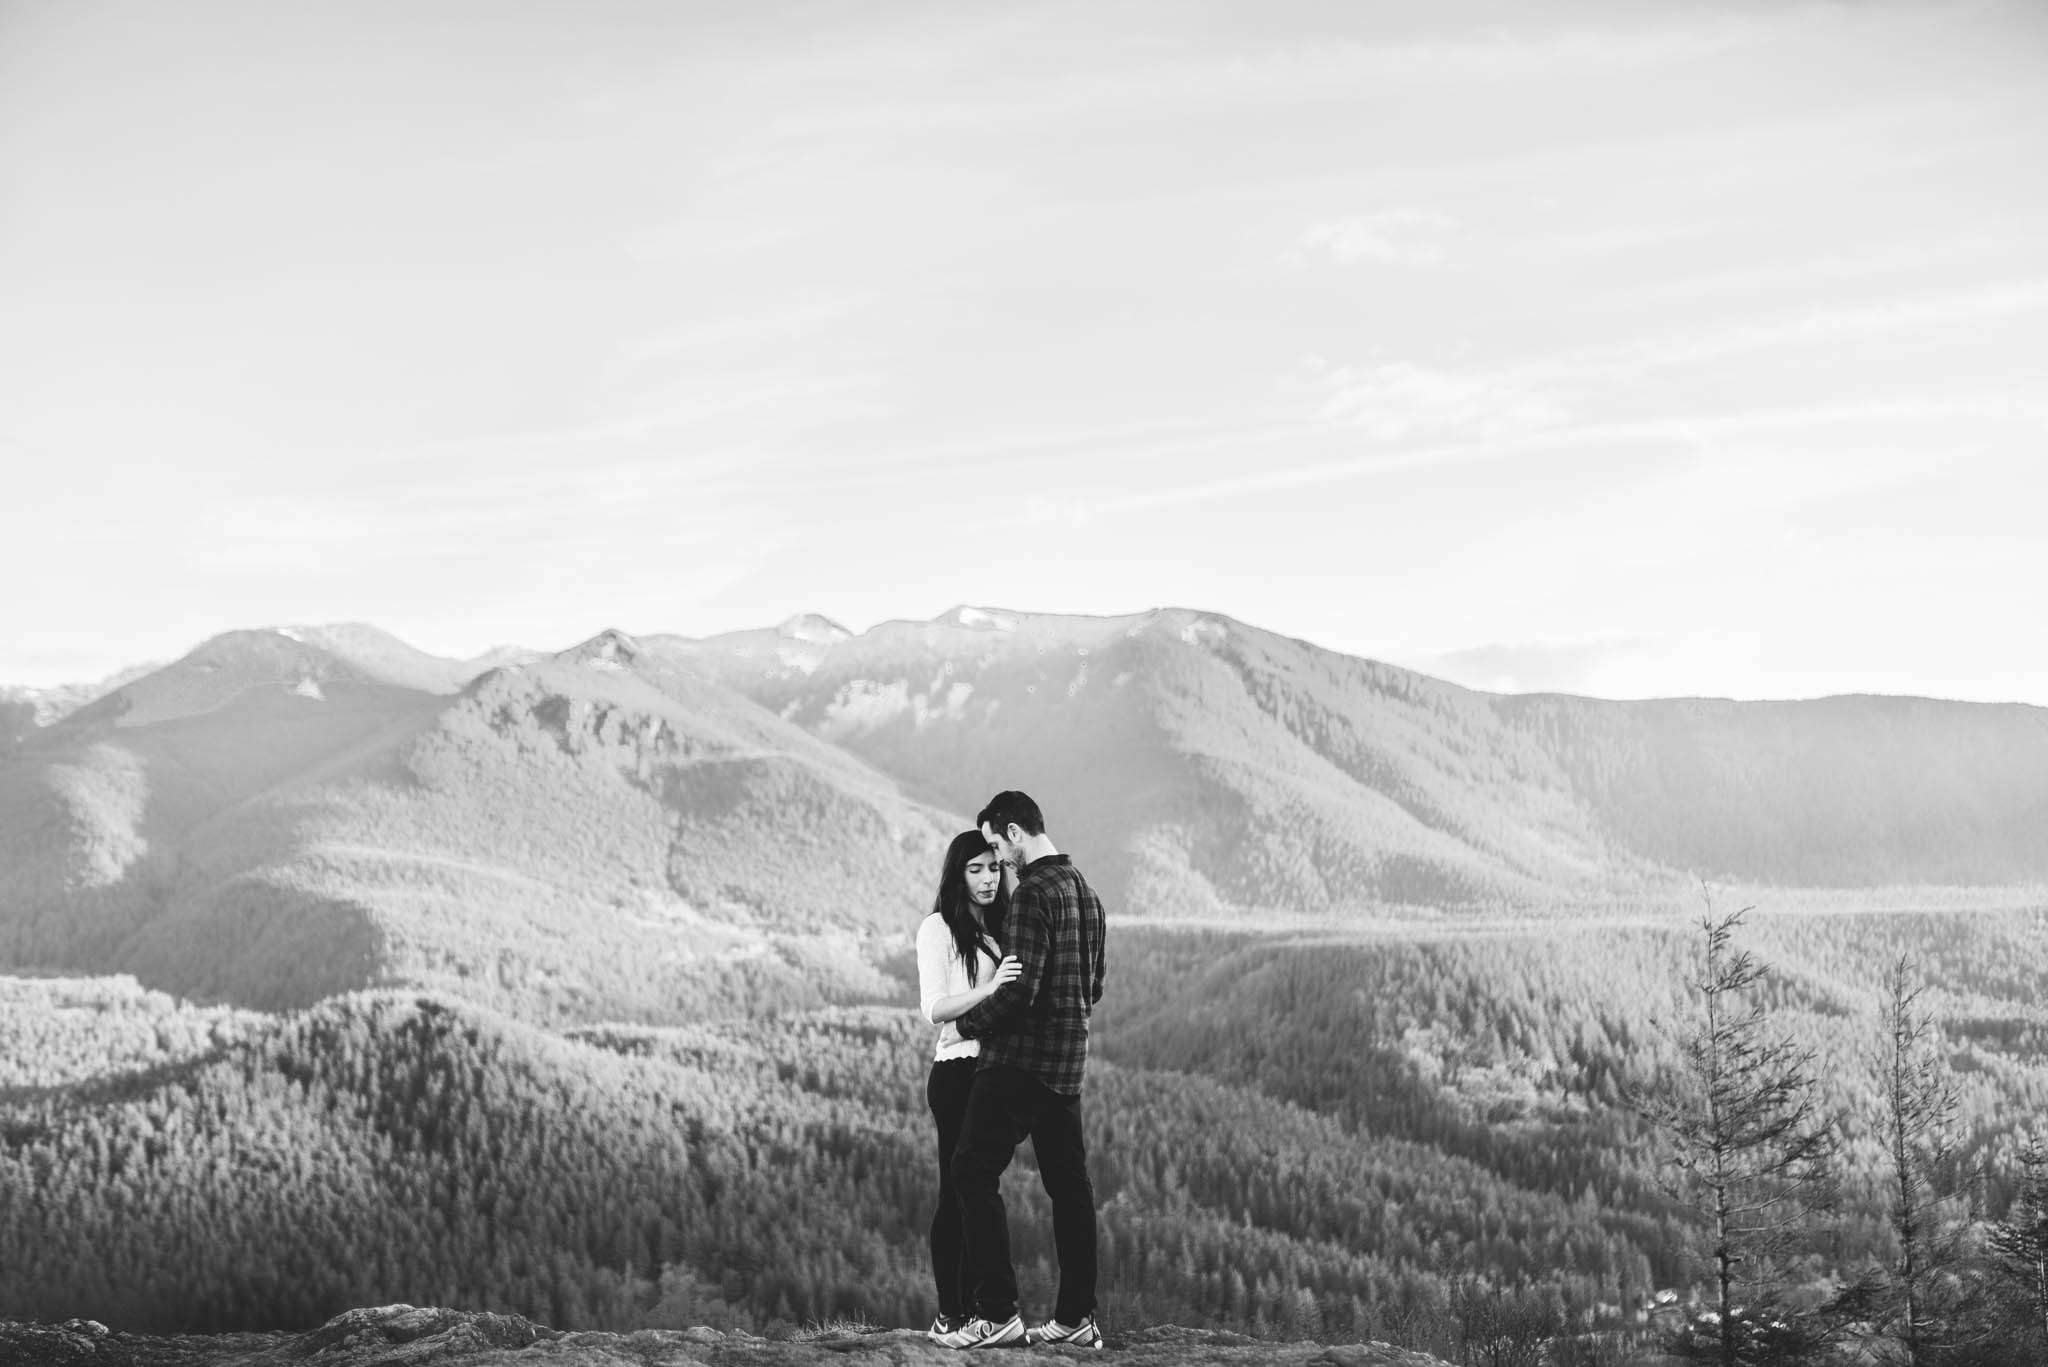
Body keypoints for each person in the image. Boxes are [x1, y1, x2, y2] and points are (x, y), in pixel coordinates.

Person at [939, 790, 1107, 1351]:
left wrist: (968, 1025)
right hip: (1067, 1067)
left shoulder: (1033, 893)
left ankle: (997, 1313)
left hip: (1017, 1064)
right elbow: (1095, 986)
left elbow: (1019, 989)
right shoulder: (1087, 892)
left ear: (1013, 833)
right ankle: (1076, 1319)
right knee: (1070, 1187)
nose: (996, 859)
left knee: (970, 1171)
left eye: (994, 844)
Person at [916, 830, 1022, 1343]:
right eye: (975, 869)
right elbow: (934, 1009)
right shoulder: (938, 928)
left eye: (993, 868)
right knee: (955, 1190)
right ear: (958, 874)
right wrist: (990, 989)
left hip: (992, 1072)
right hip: (957, 1071)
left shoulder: (1001, 924)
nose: (986, 878)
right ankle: (950, 1313)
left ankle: (980, 1309)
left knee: (977, 1188)